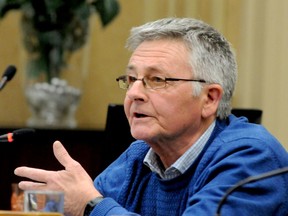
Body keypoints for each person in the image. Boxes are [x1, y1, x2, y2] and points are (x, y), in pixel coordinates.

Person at [14, 17, 288, 216]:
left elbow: (91, 203)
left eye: (156, 79)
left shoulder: (252, 158)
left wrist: (90, 206)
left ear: (210, 99)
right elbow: (69, 201)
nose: (134, 93)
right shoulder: (139, 157)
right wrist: (36, 200)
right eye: (131, 79)